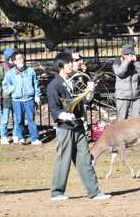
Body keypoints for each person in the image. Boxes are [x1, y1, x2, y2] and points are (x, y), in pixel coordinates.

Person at [47, 52, 111, 201]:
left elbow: (85, 101)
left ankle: (94, 191)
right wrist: (64, 115)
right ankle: (57, 192)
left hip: (78, 125)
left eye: (71, 62)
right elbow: (54, 108)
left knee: (85, 159)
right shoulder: (53, 85)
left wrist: (90, 92)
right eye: (68, 63)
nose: (71, 65)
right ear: (61, 66)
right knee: (63, 159)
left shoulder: (74, 82)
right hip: (64, 127)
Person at [2, 51, 41, 145]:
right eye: (19, 58)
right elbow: (5, 86)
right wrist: (13, 89)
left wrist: (37, 96)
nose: (21, 60)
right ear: (14, 61)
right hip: (17, 100)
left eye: (22, 58)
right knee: (19, 120)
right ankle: (21, 138)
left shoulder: (30, 70)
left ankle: (34, 138)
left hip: (29, 99)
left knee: (31, 119)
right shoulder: (10, 73)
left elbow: (36, 84)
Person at [113, 43, 140, 121]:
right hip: (122, 97)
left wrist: (137, 62)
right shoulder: (117, 62)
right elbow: (120, 73)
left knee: (137, 121)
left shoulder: (136, 62)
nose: (130, 56)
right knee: (122, 121)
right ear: (123, 54)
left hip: (136, 96)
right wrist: (126, 61)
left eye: (132, 54)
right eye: (128, 54)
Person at [0, 47, 17, 145]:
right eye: (14, 57)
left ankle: (16, 134)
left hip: (16, 96)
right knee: (5, 118)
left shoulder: (16, 68)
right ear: (9, 58)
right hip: (6, 97)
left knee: (17, 117)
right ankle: (3, 136)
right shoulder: (2, 68)